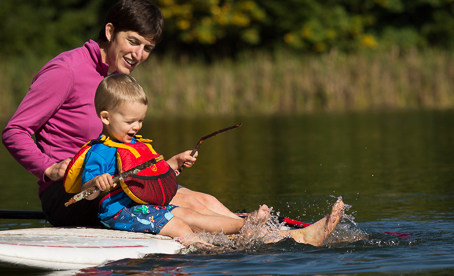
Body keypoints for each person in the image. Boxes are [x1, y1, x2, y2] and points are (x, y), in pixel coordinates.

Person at [1, 0, 252, 229]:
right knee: (191, 208)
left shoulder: (118, 78)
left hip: (122, 180)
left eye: (148, 47)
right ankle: (248, 233)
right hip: (72, 194)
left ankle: (257, 230)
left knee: (202, 200)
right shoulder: (65, 71)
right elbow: (15, 131)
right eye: (133, 41)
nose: (139, 54)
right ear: (110, 32)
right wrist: (49, 168)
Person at [73, 74, 344, 247]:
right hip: (121, 213)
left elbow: (149, 176)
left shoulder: (135, 145)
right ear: (106, 118)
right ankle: (231, 237)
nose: (136, 127)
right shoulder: (99, 152)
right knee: (182, 221)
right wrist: (97, 182)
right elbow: (86, 194)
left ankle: (246, 226)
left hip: (146, 207)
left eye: (141, 120)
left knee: (193, 211)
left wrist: (175, 164)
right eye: (130, 121)